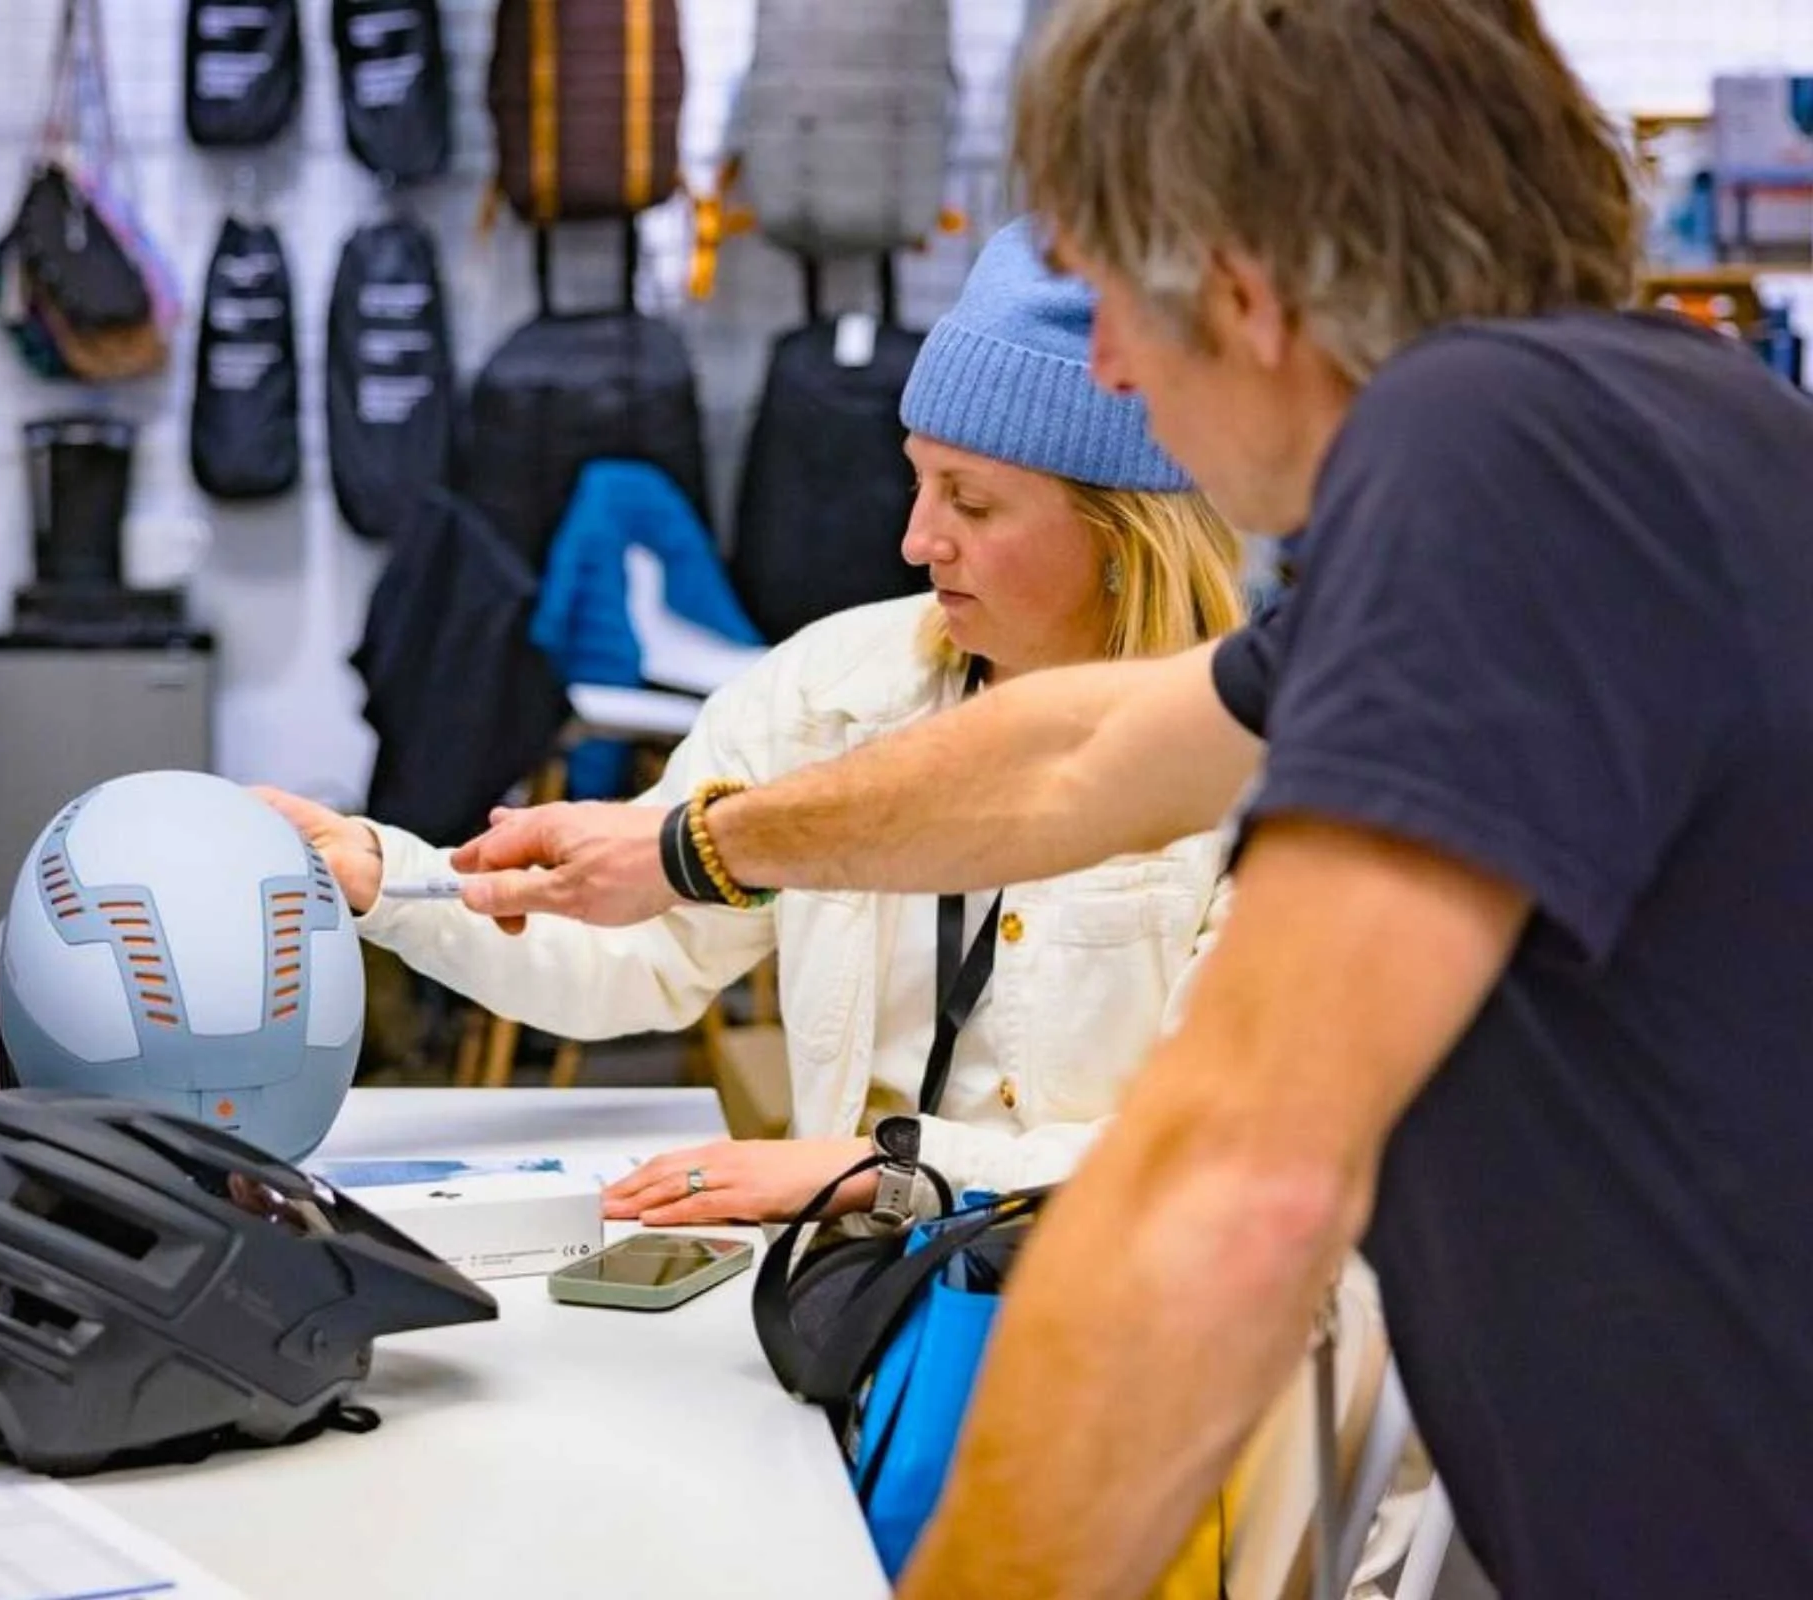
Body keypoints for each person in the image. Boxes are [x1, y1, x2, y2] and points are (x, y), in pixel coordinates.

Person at [450, 1, 1813, 1595]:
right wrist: (700, 844)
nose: (1102, 364)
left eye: (1109, 300)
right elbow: (1088, 757)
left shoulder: (1492, 458)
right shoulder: (1672, 415)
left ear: (1235, 282)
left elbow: (1235, 1185)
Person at [265, 219, 1246, 1227]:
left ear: (1122, 525)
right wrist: (388, 878)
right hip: (858, 1307)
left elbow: (1211, 1141)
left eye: (974, 504)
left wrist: (880, 1171)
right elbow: (639, 953)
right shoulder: (831, 689)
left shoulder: (1253, 766)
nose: (917, 541)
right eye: (917, 481)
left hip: (1111, 1305)